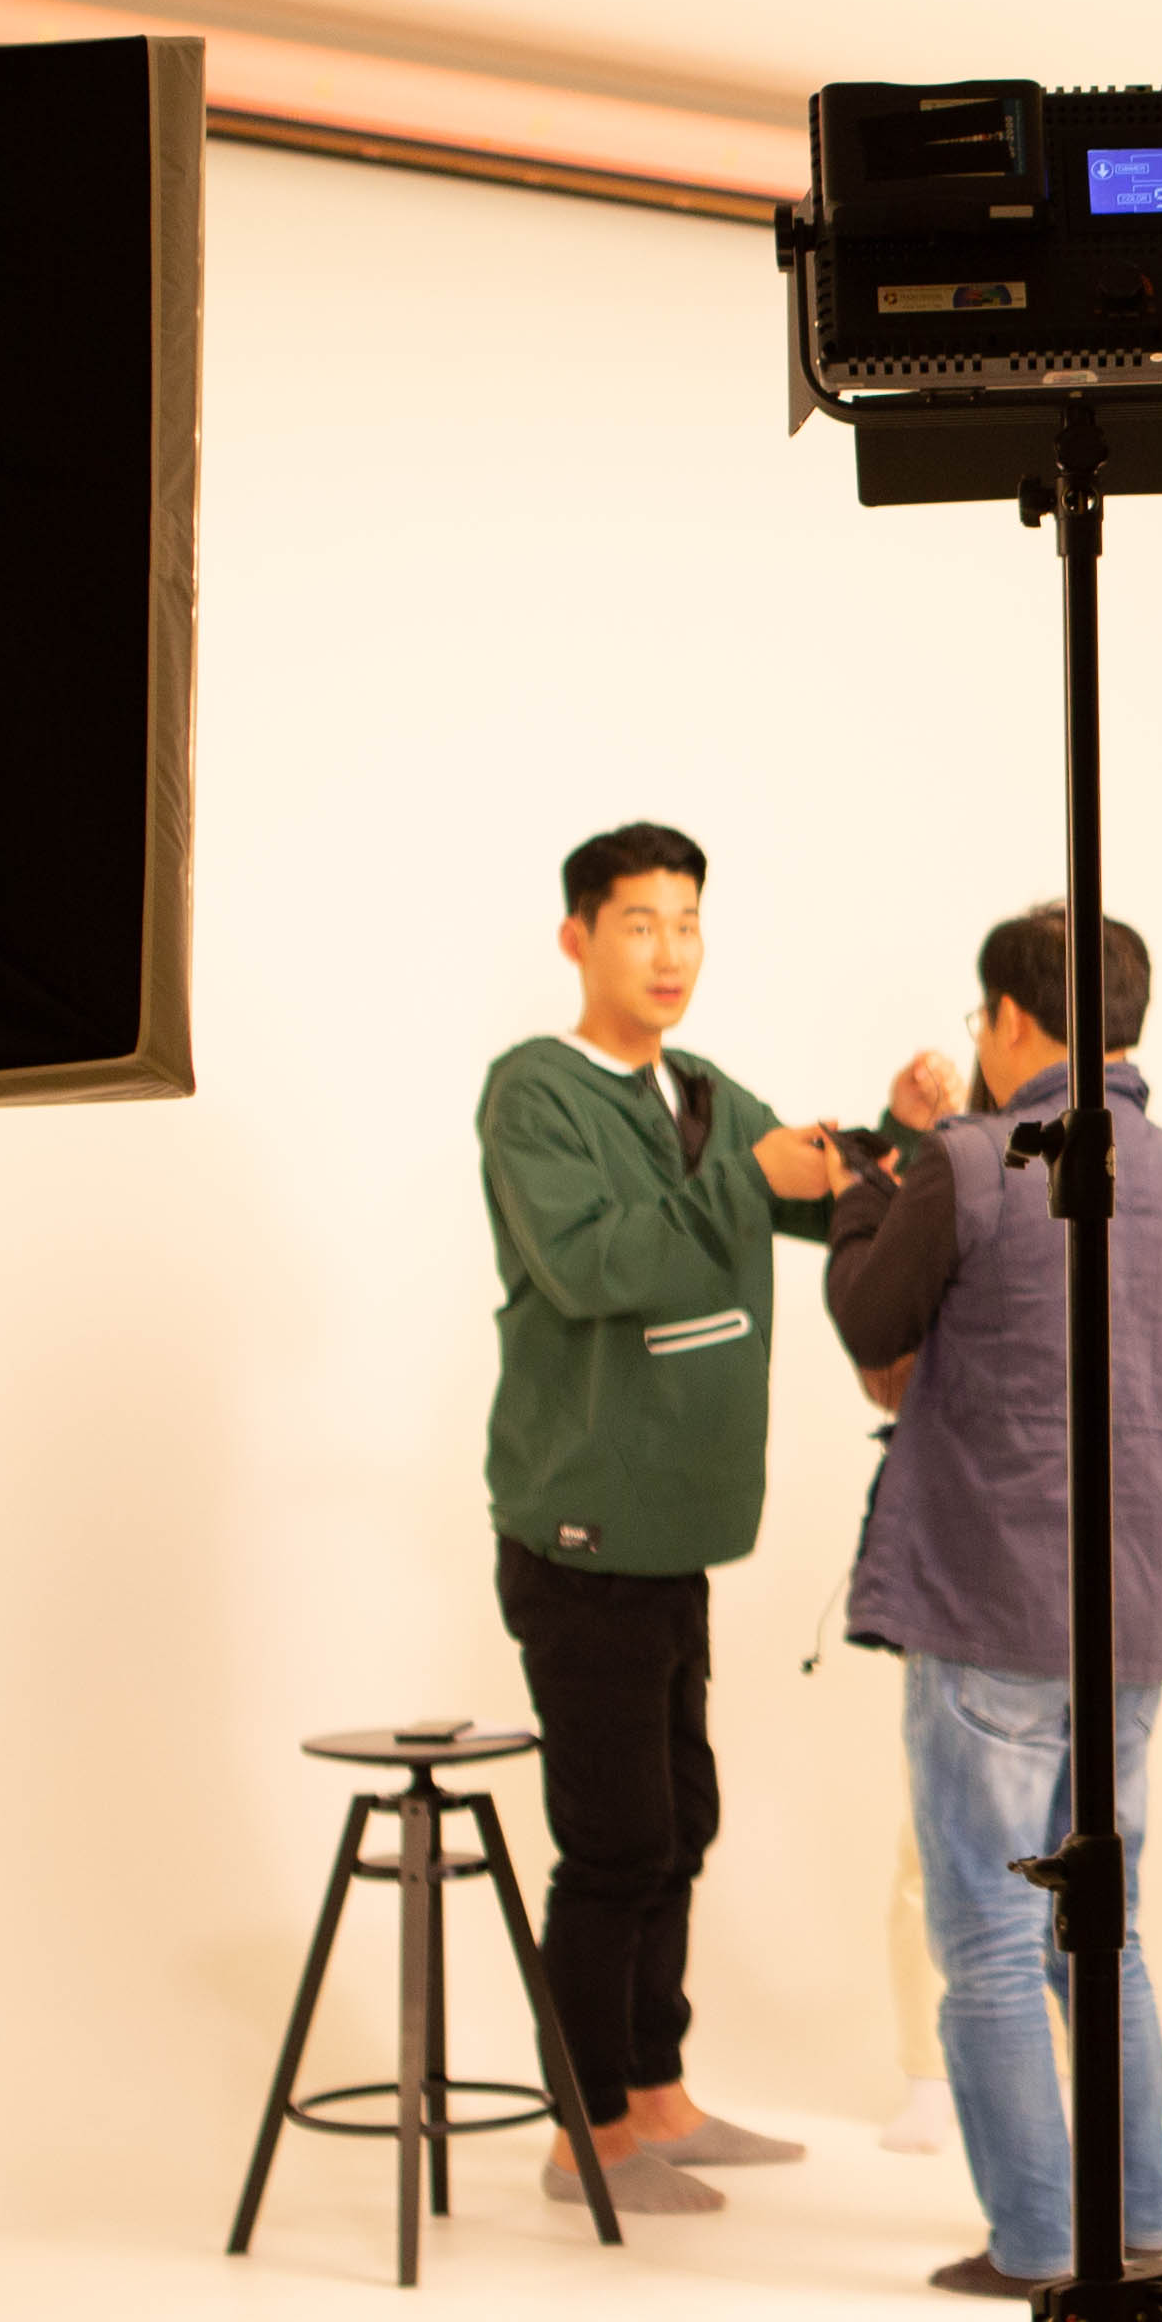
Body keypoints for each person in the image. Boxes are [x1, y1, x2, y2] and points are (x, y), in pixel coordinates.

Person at [828, 902, 1162, 2299]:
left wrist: (876, 1170)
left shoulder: (971, 1160)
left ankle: (1039, 2243)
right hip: (1128, 1608)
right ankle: (1136, 2221)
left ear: (1009, 1017)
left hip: (985, 1601)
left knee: (994, 1940)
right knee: (1100, 1933)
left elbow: (870, 1318)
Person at [477, 822, 871, 2216]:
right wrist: (756, 1178)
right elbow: (592, 1265)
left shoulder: (700, 1090)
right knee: (614, 1844)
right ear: (577, 936)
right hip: (583, 1531)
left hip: (677, 1528)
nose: (670, 950)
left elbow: (809, 1185)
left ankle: (658, 2094)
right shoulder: (533, 1091)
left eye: (688, 921)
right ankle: (582, 2132)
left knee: (680, 1819)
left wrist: (894, 1135)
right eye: (640, 922)